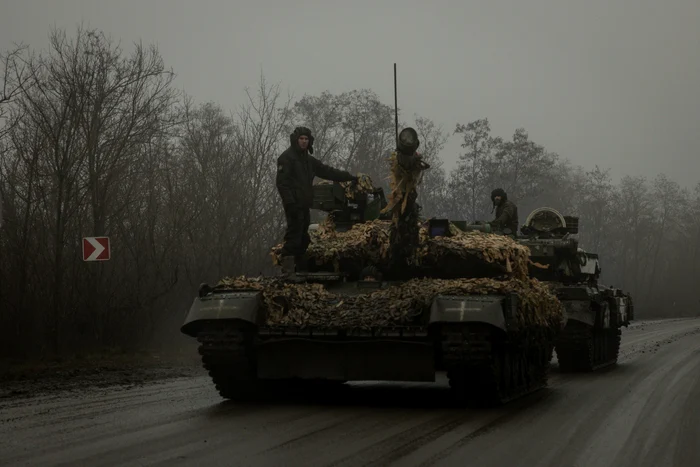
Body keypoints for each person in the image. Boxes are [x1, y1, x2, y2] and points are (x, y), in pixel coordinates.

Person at [276, 126, 359, 275]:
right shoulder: (286, 158)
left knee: (303, 238)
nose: (303, 142)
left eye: (306, 139)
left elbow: (327, 171)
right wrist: (290, 203)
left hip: (304, 204)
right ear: (296, 140)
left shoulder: (309, 161)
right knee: (293, 237)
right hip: (293, 205)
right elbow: (282, 184)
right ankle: (288, 271)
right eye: (301, 139)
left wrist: (349, 177)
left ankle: (301, 270)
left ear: (309, 141)